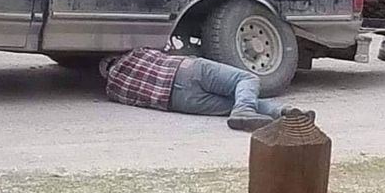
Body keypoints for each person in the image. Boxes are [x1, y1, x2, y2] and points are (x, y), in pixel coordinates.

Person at [99, 48, 286, 131]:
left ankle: (279, 112)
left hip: (177, 101)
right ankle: (276, 112)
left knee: (232, 105)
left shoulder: (113, 91)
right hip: (185, 71)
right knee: (246, 78)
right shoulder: (135, 53)